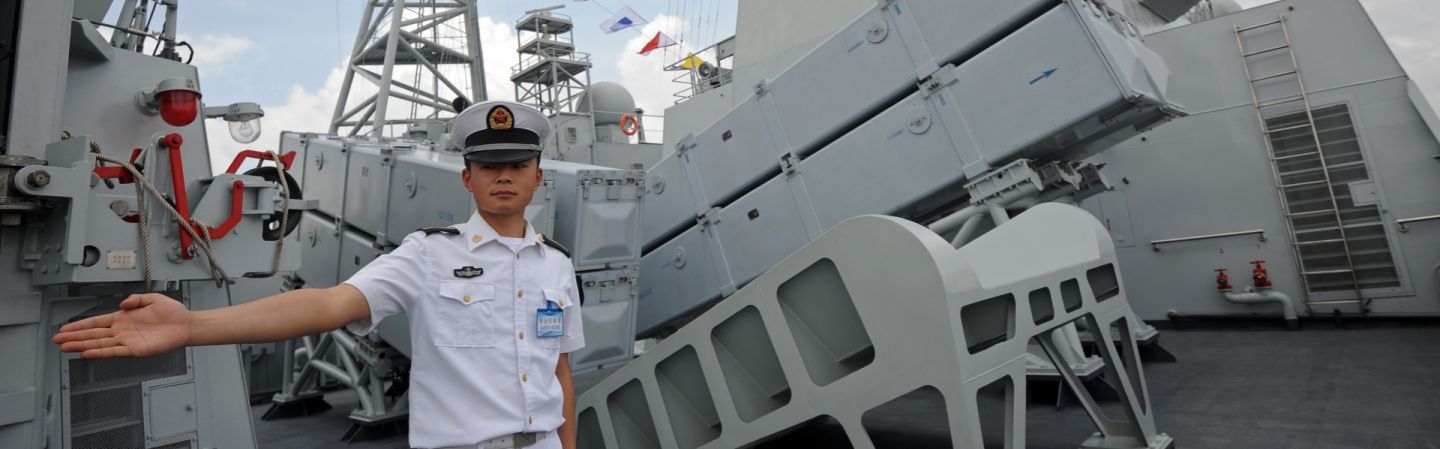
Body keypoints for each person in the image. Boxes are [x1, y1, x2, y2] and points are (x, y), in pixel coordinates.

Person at [52, 100, 585, 449]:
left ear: (538, 175)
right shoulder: (428, 255)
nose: (505, 177)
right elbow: (327, 304)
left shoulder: (556, 266)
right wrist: (192, 327)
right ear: (467, 178)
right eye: (490, 167)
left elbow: (557, 374)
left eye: (517, 165)